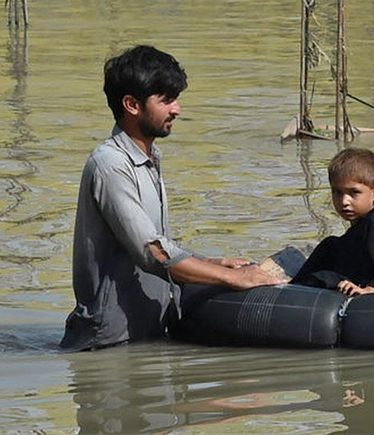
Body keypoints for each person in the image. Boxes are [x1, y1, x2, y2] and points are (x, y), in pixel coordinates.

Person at [60, 45, 283, 351]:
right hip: (108, 347)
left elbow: (158, 244)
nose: (177, 109)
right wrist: (234, 278)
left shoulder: (148, 158)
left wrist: (210, 262)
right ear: (131, 104)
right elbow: (153, 253)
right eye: (166, 100)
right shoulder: (110, 165)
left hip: (145, 338)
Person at [291, 148, 374, 295]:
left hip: (366, 291)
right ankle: (290, 287)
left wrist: (370, 289)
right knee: (329, 244)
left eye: (354, 193)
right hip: (344, 284)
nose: (344, 201)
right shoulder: (351, 234)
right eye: (337, 192)